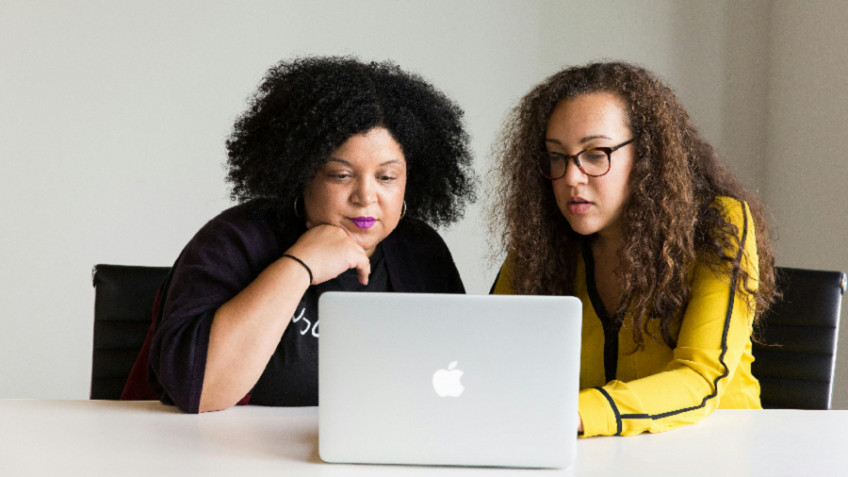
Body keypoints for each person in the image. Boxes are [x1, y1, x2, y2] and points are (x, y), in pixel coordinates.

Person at [130, 57, 475, 413]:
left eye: (386, 178)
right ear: (302, 171)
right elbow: (199, 391)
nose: (366, 196)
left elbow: (463, 375)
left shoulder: (421, 250)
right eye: (341, 175)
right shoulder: (236, 239)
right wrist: (300, 264)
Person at [489, 61, 777, 437]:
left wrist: (572, 414)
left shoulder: (718, 224)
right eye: (557, 157)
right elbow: (491, 352)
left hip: (715, 452)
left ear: (646, 156)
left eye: (595, 154)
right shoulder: (543, 238)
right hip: (588, 455)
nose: (571, 177)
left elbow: (700, 378)